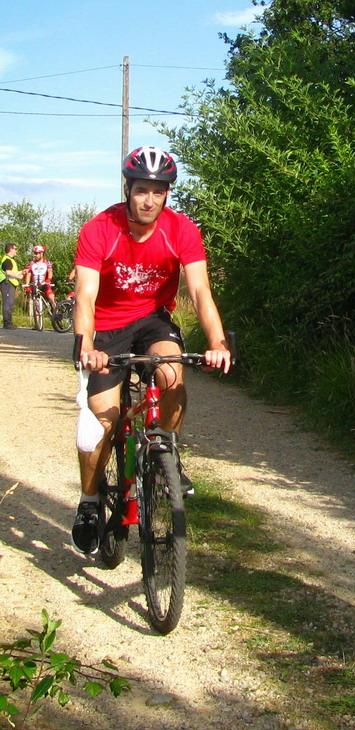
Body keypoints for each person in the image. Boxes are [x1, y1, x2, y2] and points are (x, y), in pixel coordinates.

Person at [71, 146, 232, 554]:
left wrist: (217, 342)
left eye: (158, 192)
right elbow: (85, 296)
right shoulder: (99, 229)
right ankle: (89, 500)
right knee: (102, 420)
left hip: (153, 321)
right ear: (128, 189)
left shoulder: (181, 229)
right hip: (107, 326)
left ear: (167, 195)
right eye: (142, 190)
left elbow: (200, 290)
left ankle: (167, 454)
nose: (149, 200)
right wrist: (86, 344)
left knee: (172, 372)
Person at [23, 244, 58, 315]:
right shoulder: (31, 264)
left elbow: (50, 271)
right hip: (35, 286)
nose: (34, 255)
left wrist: (49, 279)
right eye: (34, 253)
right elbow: (28, 274)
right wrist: (27, 285)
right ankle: (38, 321)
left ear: (41, 253)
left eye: (36, 253)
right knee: (36, 304)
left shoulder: (47, 262)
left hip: (44, 284)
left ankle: (56, 312)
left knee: (51, 297)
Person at [1, 243, 19, 329]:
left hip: (9, 283)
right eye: (15, 249)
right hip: (7, 283)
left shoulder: (10, 260)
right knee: (8, 303)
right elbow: (8, 272)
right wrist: (19, 276)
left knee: (10, 303)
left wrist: (20, 273)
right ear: (10, 249)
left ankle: (9, 322)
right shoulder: (7, 260)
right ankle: (7, 323)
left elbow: (11, 272)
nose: (16, 251)